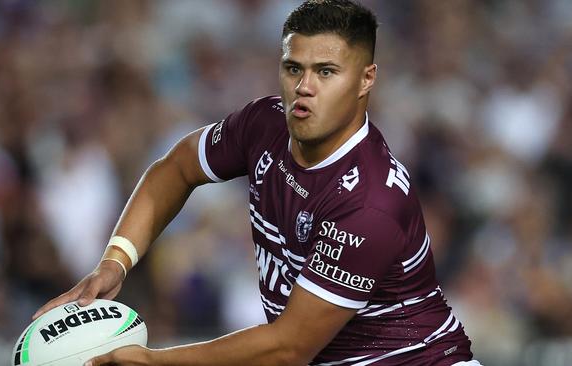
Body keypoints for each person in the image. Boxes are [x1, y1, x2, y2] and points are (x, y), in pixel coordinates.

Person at [33, 1, 482, 365]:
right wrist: (115, 263)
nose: (304, 87)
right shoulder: (264, 123)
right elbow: (174, 169)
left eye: (326, 72)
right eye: (293, 68)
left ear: (366, 79)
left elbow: (288, 348)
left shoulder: (371, 200)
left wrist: (155, 362)